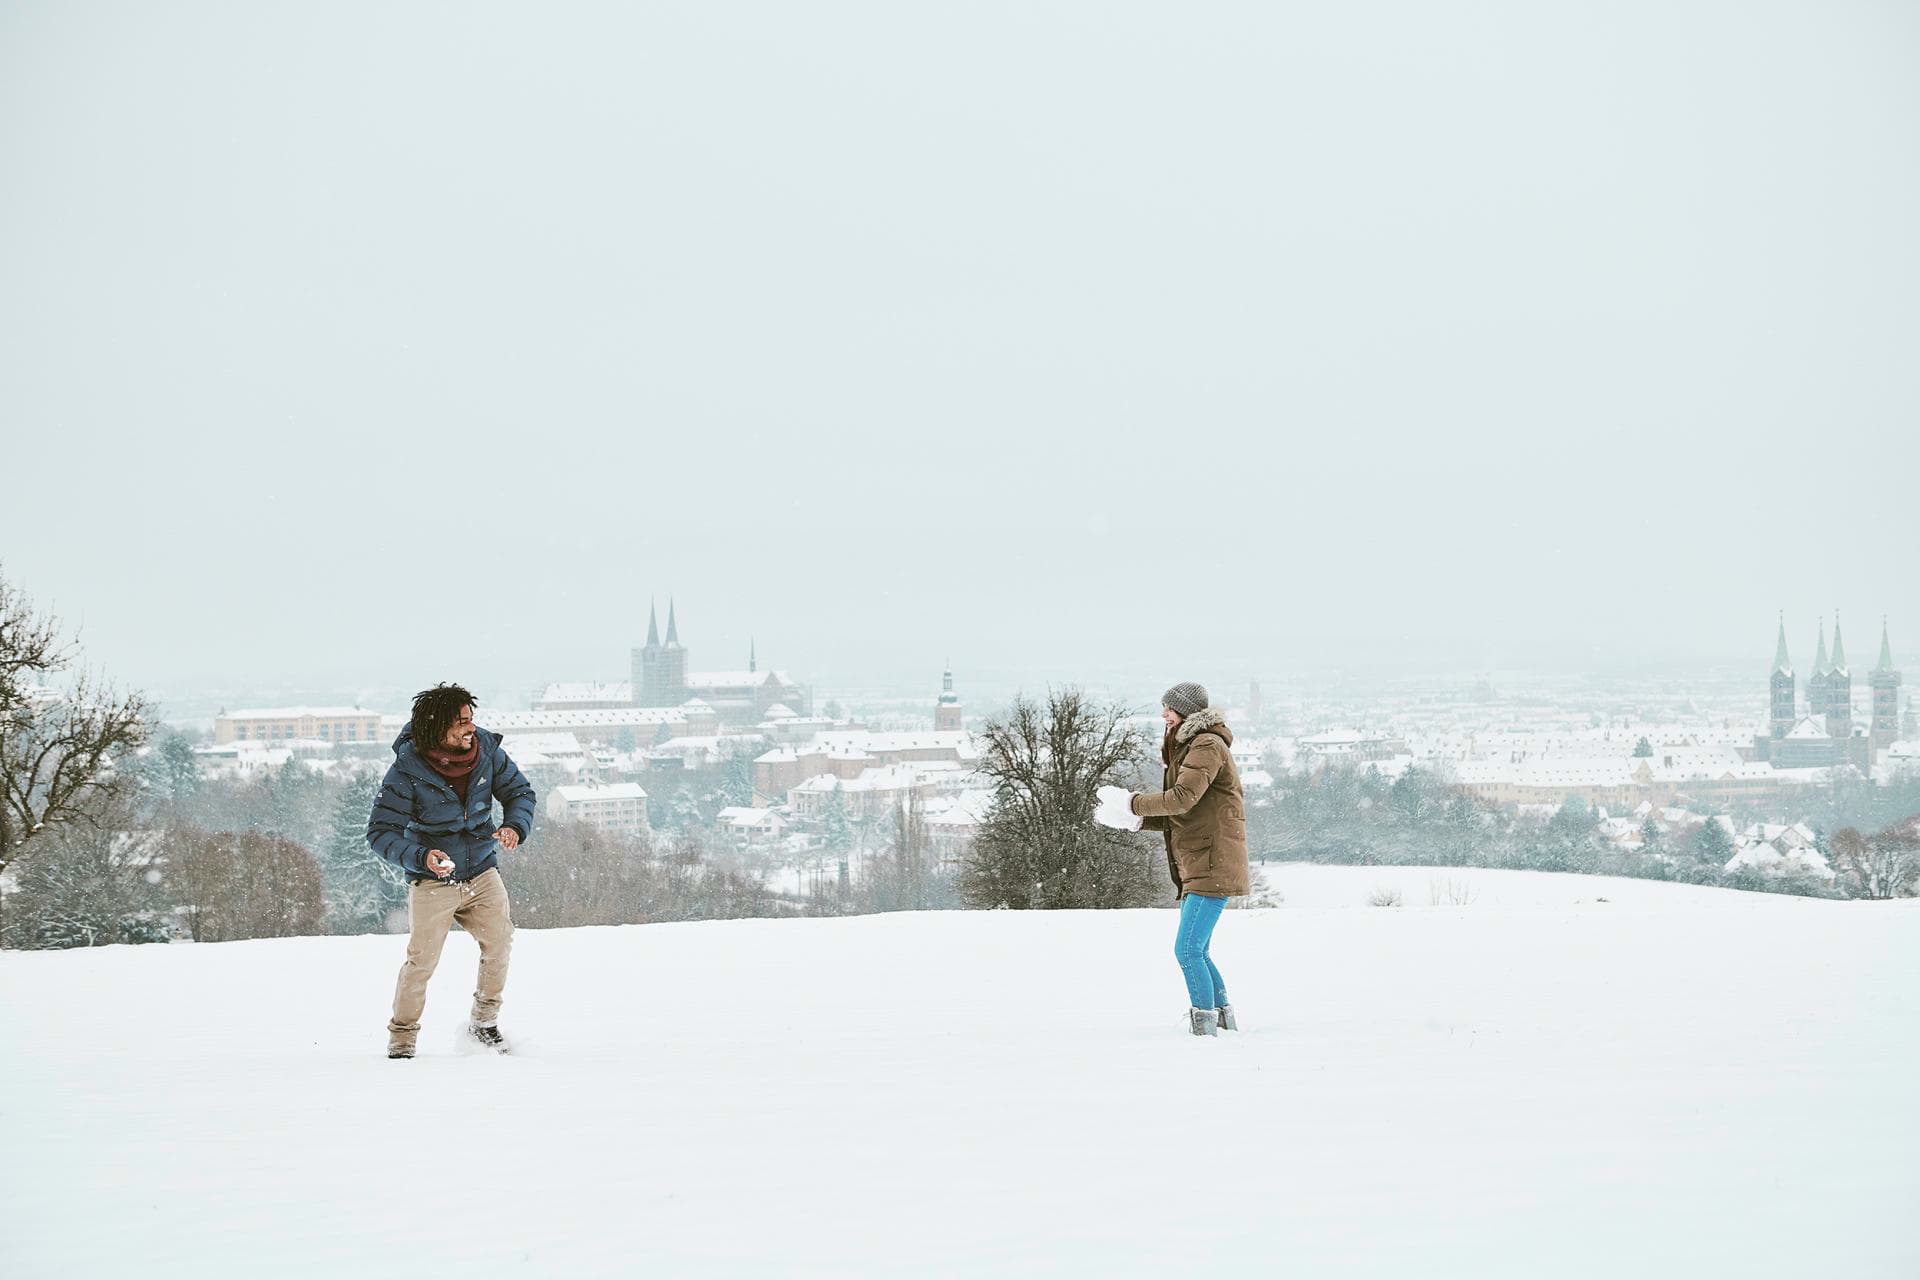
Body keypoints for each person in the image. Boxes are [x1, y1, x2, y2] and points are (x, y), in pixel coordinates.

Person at [367, 683, 536, 1058]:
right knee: (421, 961)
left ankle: (484, 1024)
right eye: (461, 721)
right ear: (437, 727)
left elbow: (520, 793)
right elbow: (380, 833)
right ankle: (402, 1038)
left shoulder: (488, 753)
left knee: (499, 942)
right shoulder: (405, 772)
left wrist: (514, 826)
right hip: (433, 881)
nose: (470, 727)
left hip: (481, 871)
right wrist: (422, 856)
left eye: (471, 719)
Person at [1094, 681, 1249, 1036]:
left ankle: (1204, 1024)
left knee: (1188, 950)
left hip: (1212, 862)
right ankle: (1223, 1020)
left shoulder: (1206, 744)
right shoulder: (1191, 745)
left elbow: (1180, 798)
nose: (1163, 714)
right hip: (1201, 861)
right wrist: (1134, 819)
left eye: (1169, 708)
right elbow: (1183, 812)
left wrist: (1132, 802)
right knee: (1199, 950)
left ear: (1186, 712)